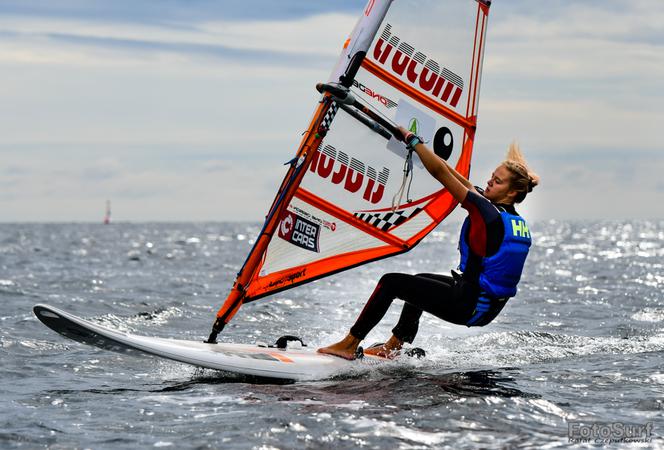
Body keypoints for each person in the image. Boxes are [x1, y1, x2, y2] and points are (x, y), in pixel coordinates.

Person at [318, 126, 539, 360]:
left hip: (468, 304)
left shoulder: (486, 212)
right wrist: (421, 147)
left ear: (512, 192)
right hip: (486, 307)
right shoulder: (512, 219)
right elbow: (456, 177)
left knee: (390, 282)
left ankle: (350, 344)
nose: (490, 182)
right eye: (492, 178)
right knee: (418, 282)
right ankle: (393, 346)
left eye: (497, 181)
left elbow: (440, 173)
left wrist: (413, 140)